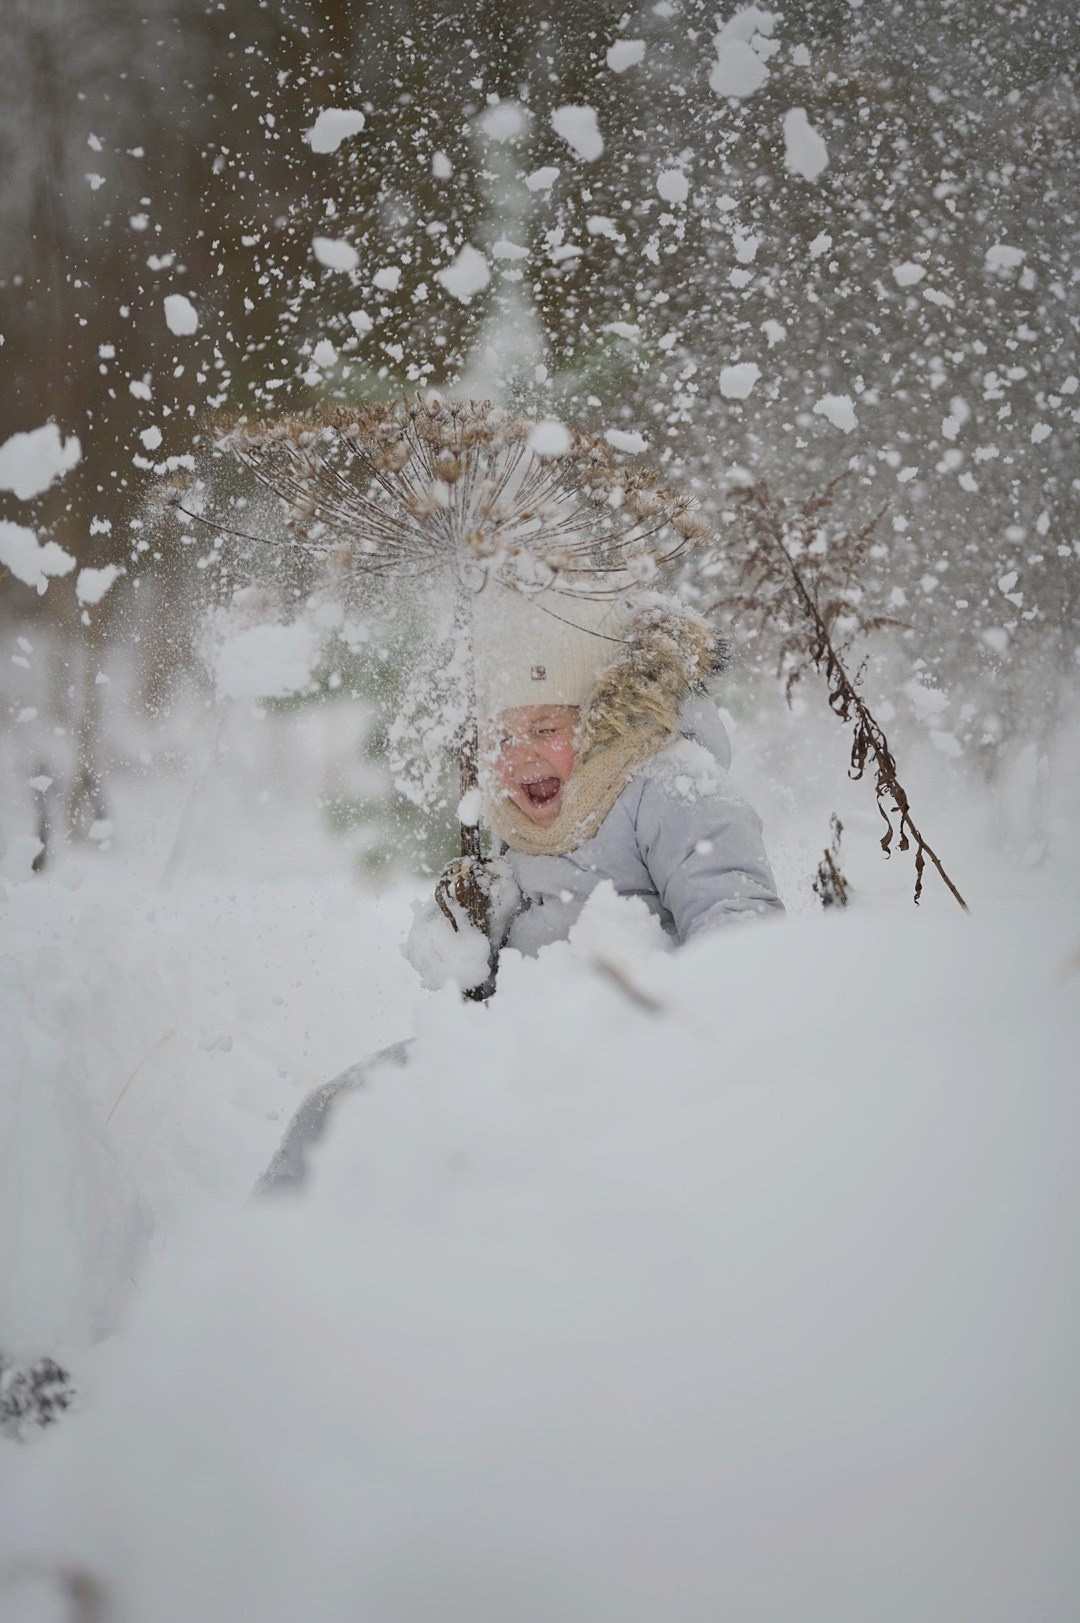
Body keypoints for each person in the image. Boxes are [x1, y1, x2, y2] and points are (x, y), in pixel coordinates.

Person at [404, 588, 784, 993]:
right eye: (500, 740)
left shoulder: (672, 790)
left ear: (600, 726)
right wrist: (467, 943)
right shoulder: (518, 820)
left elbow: (736, 918)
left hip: (643, 1029)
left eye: (545, 730)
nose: (520, 756)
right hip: (533, 1039)